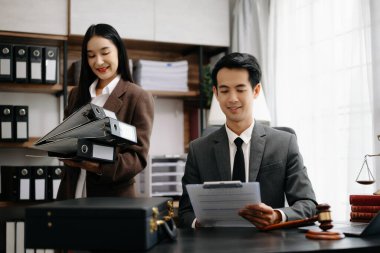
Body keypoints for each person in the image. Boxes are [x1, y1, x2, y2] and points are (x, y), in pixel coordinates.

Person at [178, 52, 317, 229]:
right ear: (216, 93)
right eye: (225, 90)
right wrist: (199, 223)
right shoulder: (199, 150)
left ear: (256, 91)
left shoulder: (284, 143)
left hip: (267, 243)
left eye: (240, 89)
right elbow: (185, 213)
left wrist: (277, 216)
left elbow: (308, 204)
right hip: (216, 244)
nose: (232, 98)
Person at [57, 24, 154, 199]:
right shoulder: (76, 94)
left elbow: (137, 158)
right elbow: (65, 137)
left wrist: (99, 166)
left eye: (105, 52)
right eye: (91, 55)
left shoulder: (138, 97)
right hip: (71, 193)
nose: (98, 61)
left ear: (118, 51)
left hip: (112, 197)